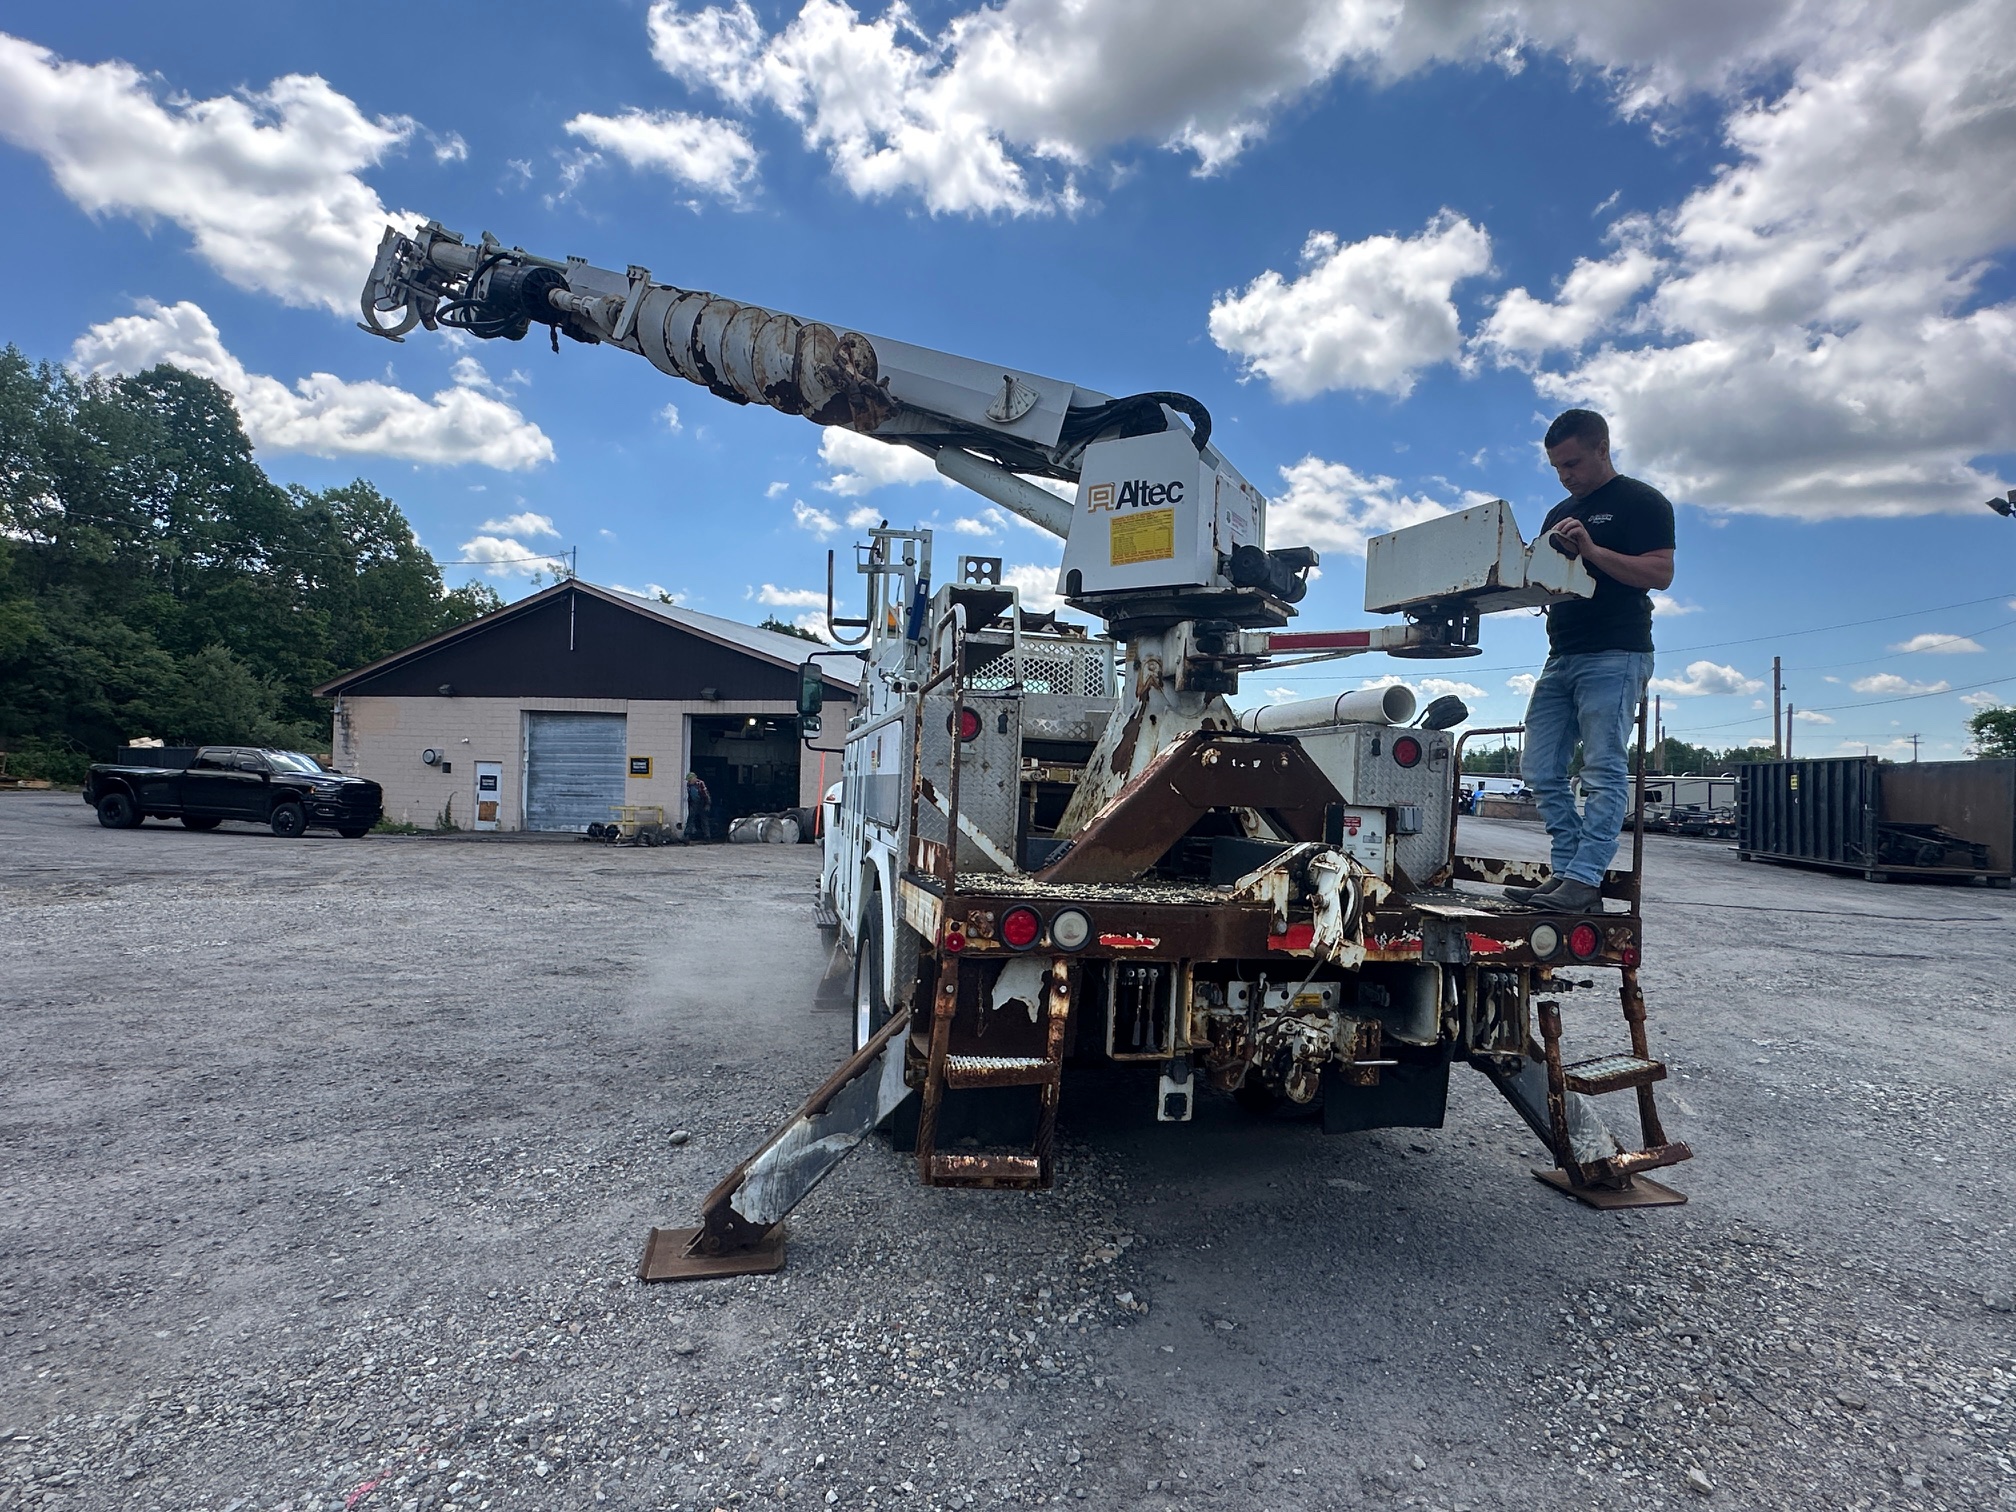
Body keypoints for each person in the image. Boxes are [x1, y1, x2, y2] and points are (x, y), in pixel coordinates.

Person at [1508, 409, 1675, 912]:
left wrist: (1591, 550)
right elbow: (1541, 578)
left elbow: (1660, 572)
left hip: (1616, 653)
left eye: (1573, 463)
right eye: (1558, 467)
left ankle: (1583, 878)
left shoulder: (1642, 501)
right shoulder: (1557, 511)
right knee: (1538, 770)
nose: (1566, 476)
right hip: (1562, 654)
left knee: (1602, 769)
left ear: (1603, 448)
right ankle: (1568, 875)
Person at [684, 771, 712, 843]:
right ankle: (687, 836)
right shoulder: (689, 785)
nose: (689, 782)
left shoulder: (700, 783)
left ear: (693, 779)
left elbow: (706, 794)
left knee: (704, 819)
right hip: (693, 803)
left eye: (690, 780)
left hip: (702, 803)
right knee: (690, 819)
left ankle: (707, 837)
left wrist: (707, 804)